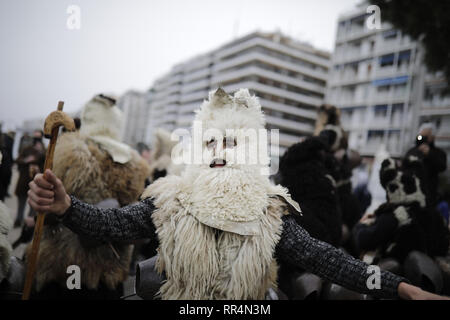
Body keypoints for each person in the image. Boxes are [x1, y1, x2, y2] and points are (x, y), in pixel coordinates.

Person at [28, 88, 448, 300]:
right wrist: (66, 206)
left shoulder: (268, 212)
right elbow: (113, 224)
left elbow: (326, 259)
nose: (217, 152)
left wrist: (400, 289)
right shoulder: (172, 197)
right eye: (210, 143)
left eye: (229, 142)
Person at [27, 94, 150, 299]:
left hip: (62, 269)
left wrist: (39, 211)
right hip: (107, 273)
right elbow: (135, 227)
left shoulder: (69, 153)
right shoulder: (135, 164)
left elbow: (47, 213)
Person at [404, 123, 447, 205]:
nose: (423, 138)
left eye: (426, 136)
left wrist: (429, 154)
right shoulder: (412, 151)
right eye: (421, 136)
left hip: (429, 192)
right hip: (411, 190)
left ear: (433, 137)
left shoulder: (438, 152)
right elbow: (405, 166)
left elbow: (442, 167)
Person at [14, 130, 45, 227]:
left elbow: (46, 167)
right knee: (21, 204)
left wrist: (38, 168)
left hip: (36, 183)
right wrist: (26, 160)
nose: (36, 141)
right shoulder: (27, 149)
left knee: (33, 206)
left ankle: (29, 223)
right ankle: (18, 220)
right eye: (35, 138)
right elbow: (18, 160)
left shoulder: (44, 151)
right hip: (23, 181)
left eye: (38, 138)